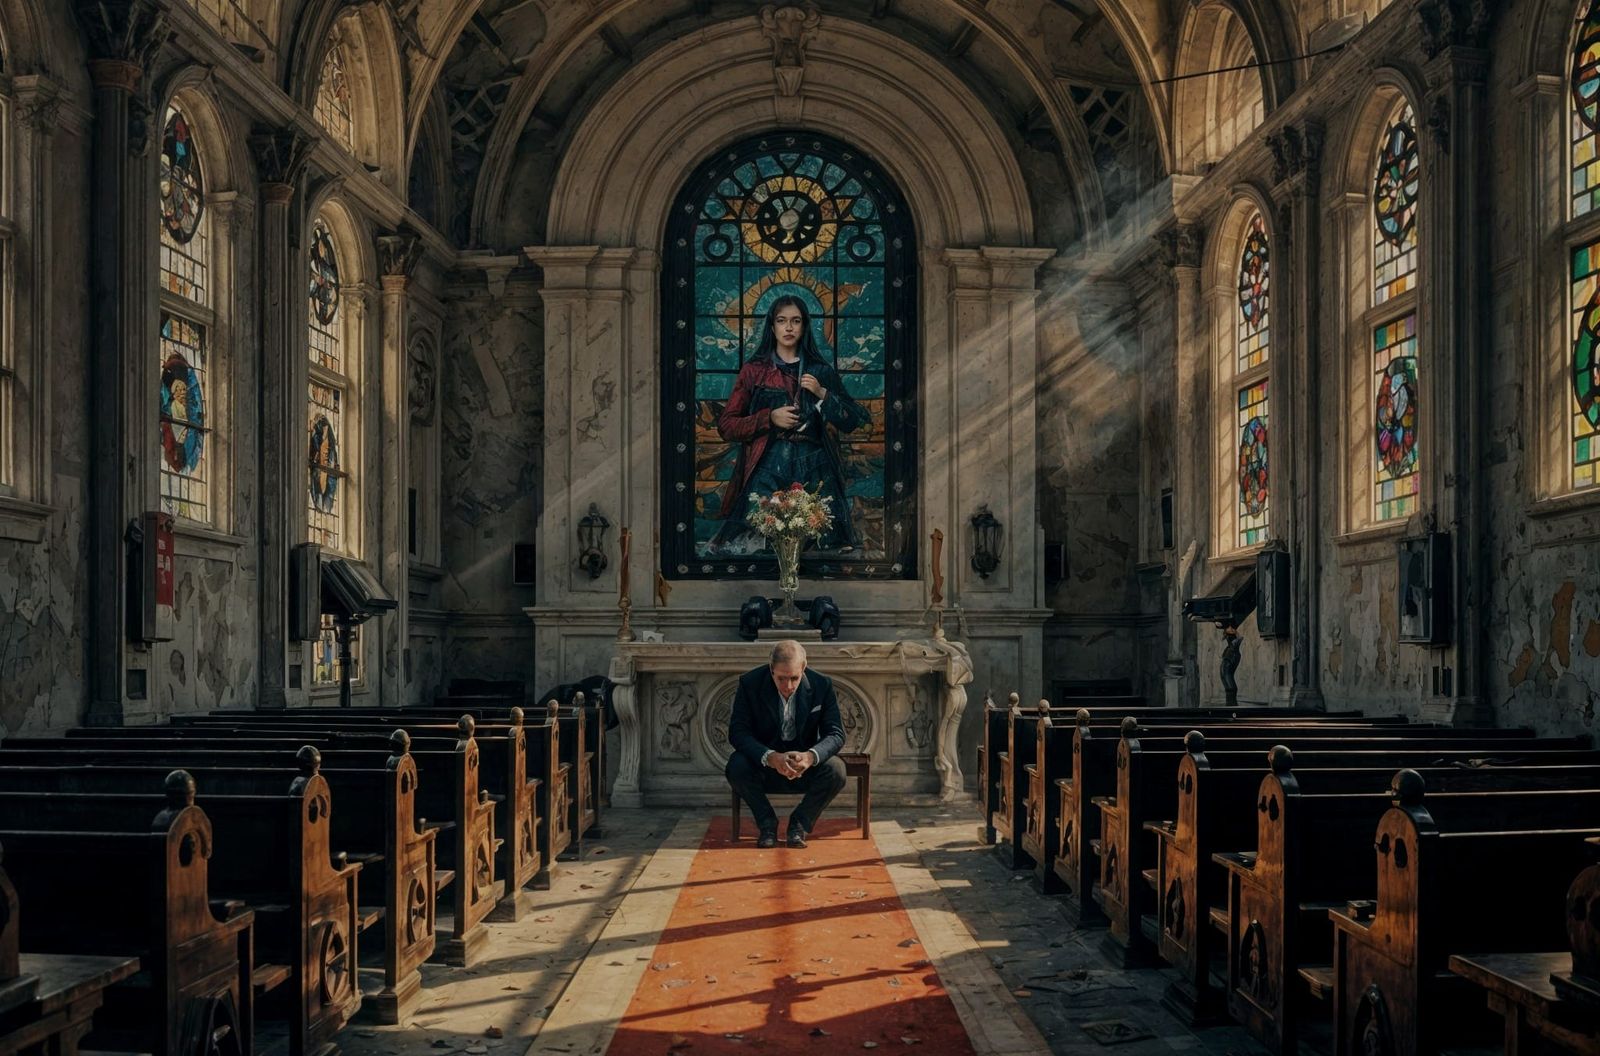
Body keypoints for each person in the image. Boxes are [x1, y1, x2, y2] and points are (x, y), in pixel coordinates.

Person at [711, 296, 870, 553]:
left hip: (815, 468)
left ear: (804, 326)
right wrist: (769, 418)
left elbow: (852, 421)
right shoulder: (754, 371)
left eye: (795, 321)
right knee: (762, 542)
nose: (788, 328)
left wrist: (823, 394)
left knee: (821, 544)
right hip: (767, 467)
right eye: (781, 321)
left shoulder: (821, 370)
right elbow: (727, 426)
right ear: (772, 326)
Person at [724, 639, 847, 848]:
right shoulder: (750, 683)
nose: (788, 686)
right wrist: (770, 757)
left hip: (803, 767)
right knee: (736, 766)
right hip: (764, 766)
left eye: (794, 678)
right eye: (781, 678)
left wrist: (809, 757)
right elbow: (738, 732)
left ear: (804, 668)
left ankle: (799, 824)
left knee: (836, 770)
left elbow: (836, 733)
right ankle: (767, 824)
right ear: (771, 669)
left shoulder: (822, 685)